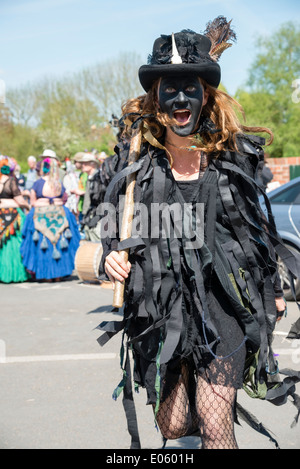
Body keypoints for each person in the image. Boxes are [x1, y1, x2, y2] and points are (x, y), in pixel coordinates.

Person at [97, 18, 300, 450]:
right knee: (173, 425)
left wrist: (271, 291)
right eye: (170, 87)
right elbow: (114, 222)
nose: (180, 96)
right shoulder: (137, 164)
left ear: (204, 95)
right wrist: (111, 254)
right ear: (157, 99)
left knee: (215, 421)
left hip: (221, 303)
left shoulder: (230, 159)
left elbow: (255, 230)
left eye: (190, 86)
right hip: (160, 307)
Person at [20, 157, 80, 281]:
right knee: (59, 244)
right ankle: (58, 274)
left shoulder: (38, 183)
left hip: (40, 216)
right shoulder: (58, 183)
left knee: (43, 246)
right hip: (60, 214)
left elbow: (33, 202)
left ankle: (47, 275)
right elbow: (64, 199)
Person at [0, 156, 30, 283]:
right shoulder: (11, 181)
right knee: (15, 244)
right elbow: (19, 199)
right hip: (13, 215)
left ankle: (3, 274)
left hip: (1, 215)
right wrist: (28, 206)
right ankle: (15, 274)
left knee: (3, 246)